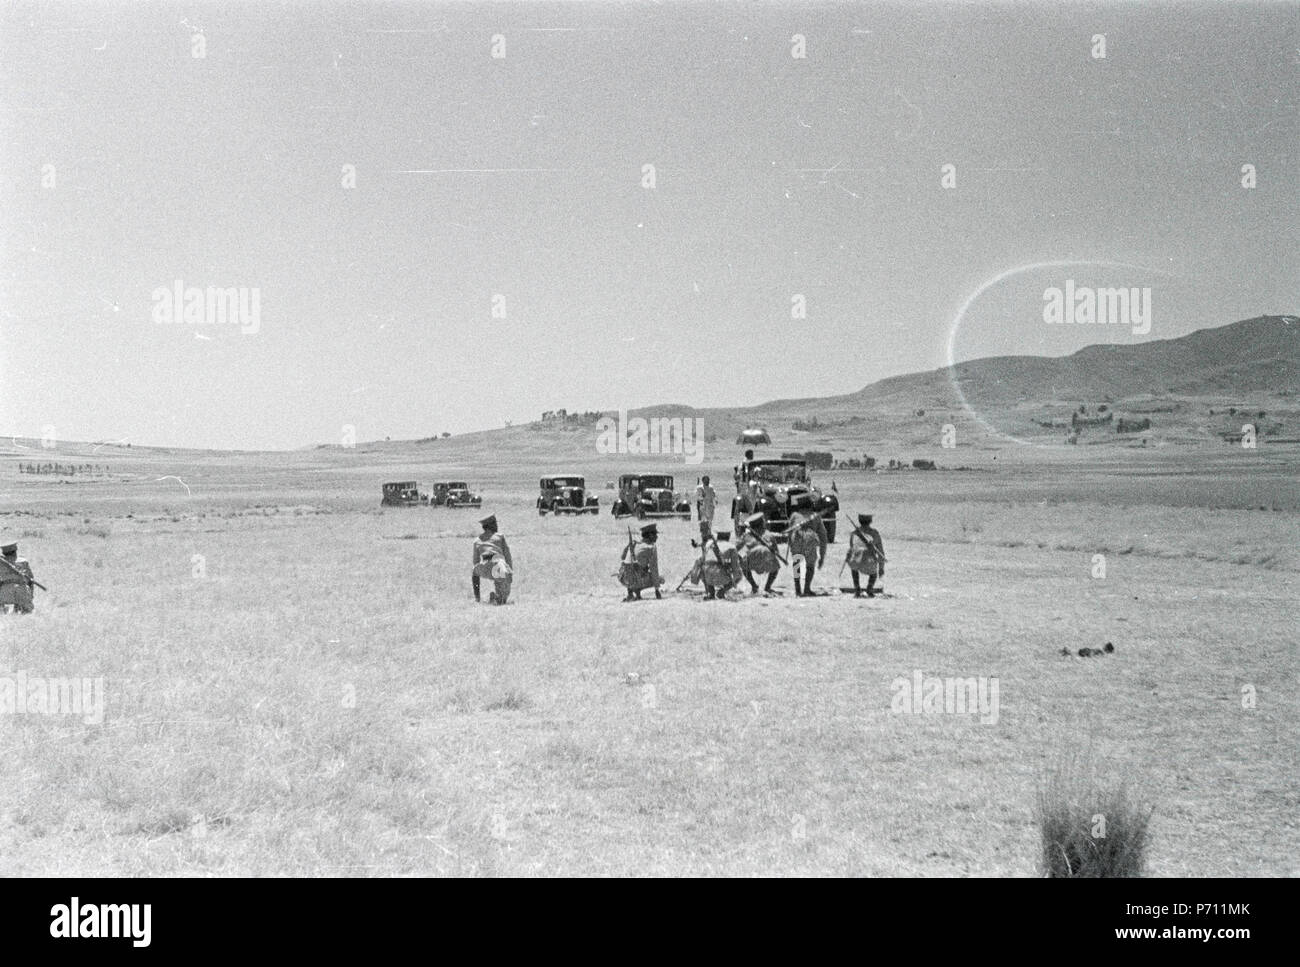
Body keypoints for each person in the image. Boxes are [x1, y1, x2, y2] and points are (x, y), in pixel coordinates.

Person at [785, 495, 827, 597]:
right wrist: (822, 556)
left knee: (796, 563)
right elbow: (823, 536)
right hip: (810, 539)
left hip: (797, 539)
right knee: (810, 566)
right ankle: (807, 588)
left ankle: (797, 589)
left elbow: (789, 532)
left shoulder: (794, 515)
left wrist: (790, 544)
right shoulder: (815, 516)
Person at [472, 514, 513, 604]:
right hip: (499, 564)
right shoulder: (500, 536)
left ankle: (477, 598)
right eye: (495, 524)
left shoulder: (477, 540)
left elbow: (475, 562)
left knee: (474, 571)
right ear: (491, 525)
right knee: (503, 599)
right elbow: (507, 556)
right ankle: (497, 597)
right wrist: (510, 572)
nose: (497, 526)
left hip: (484, 566)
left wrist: (478, 569)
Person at [738, 512, 781, 595]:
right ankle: (767, 587)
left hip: (752, 561)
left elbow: (736, 548)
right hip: (767, 561)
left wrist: (740, 558)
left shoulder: (746, 536)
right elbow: (776, 551)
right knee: (776, 567)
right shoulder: (769, 535)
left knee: (743, 566)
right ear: (762, 523)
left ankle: (754, 586)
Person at [619, 523, 663, 601]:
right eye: (655, 534)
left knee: (636, 569)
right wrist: (657, 590)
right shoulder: (651, 547)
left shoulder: (634, 543)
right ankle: (636, 589)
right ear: (650, 535)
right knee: (661, 579)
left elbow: (622, 558)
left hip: (624, 578)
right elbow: (654, 568)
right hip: (636, 579)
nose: (657, 536)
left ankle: (631, 592)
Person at [847, 513, 886, 597]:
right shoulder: (874, 533)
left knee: (854, 569)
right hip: (868, 562)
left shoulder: (854, 533)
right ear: (871, 521)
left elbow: (851, 548)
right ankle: (869, 589)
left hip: (855, 562)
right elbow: (880, 551)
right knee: (874, 574)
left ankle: (857, 589)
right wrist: (881, 567)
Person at [700, 527, 743, 601]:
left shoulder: (709, 544)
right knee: (739, 575)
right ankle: (721, 592)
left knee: (706, 567)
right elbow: (735, 566)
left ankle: (711, 592)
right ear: (728, 536)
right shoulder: (731, 547)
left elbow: (703, 560)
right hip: (720, 576)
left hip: (705, 576)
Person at [0, 539, 36, 614]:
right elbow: (30, 580)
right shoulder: (23, 561)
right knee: (27, 613)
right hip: (22, 589)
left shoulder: (1, 562)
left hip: (5, 591)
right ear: (15, 551)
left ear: (3, 553)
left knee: (2, 614)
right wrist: (30, 596)